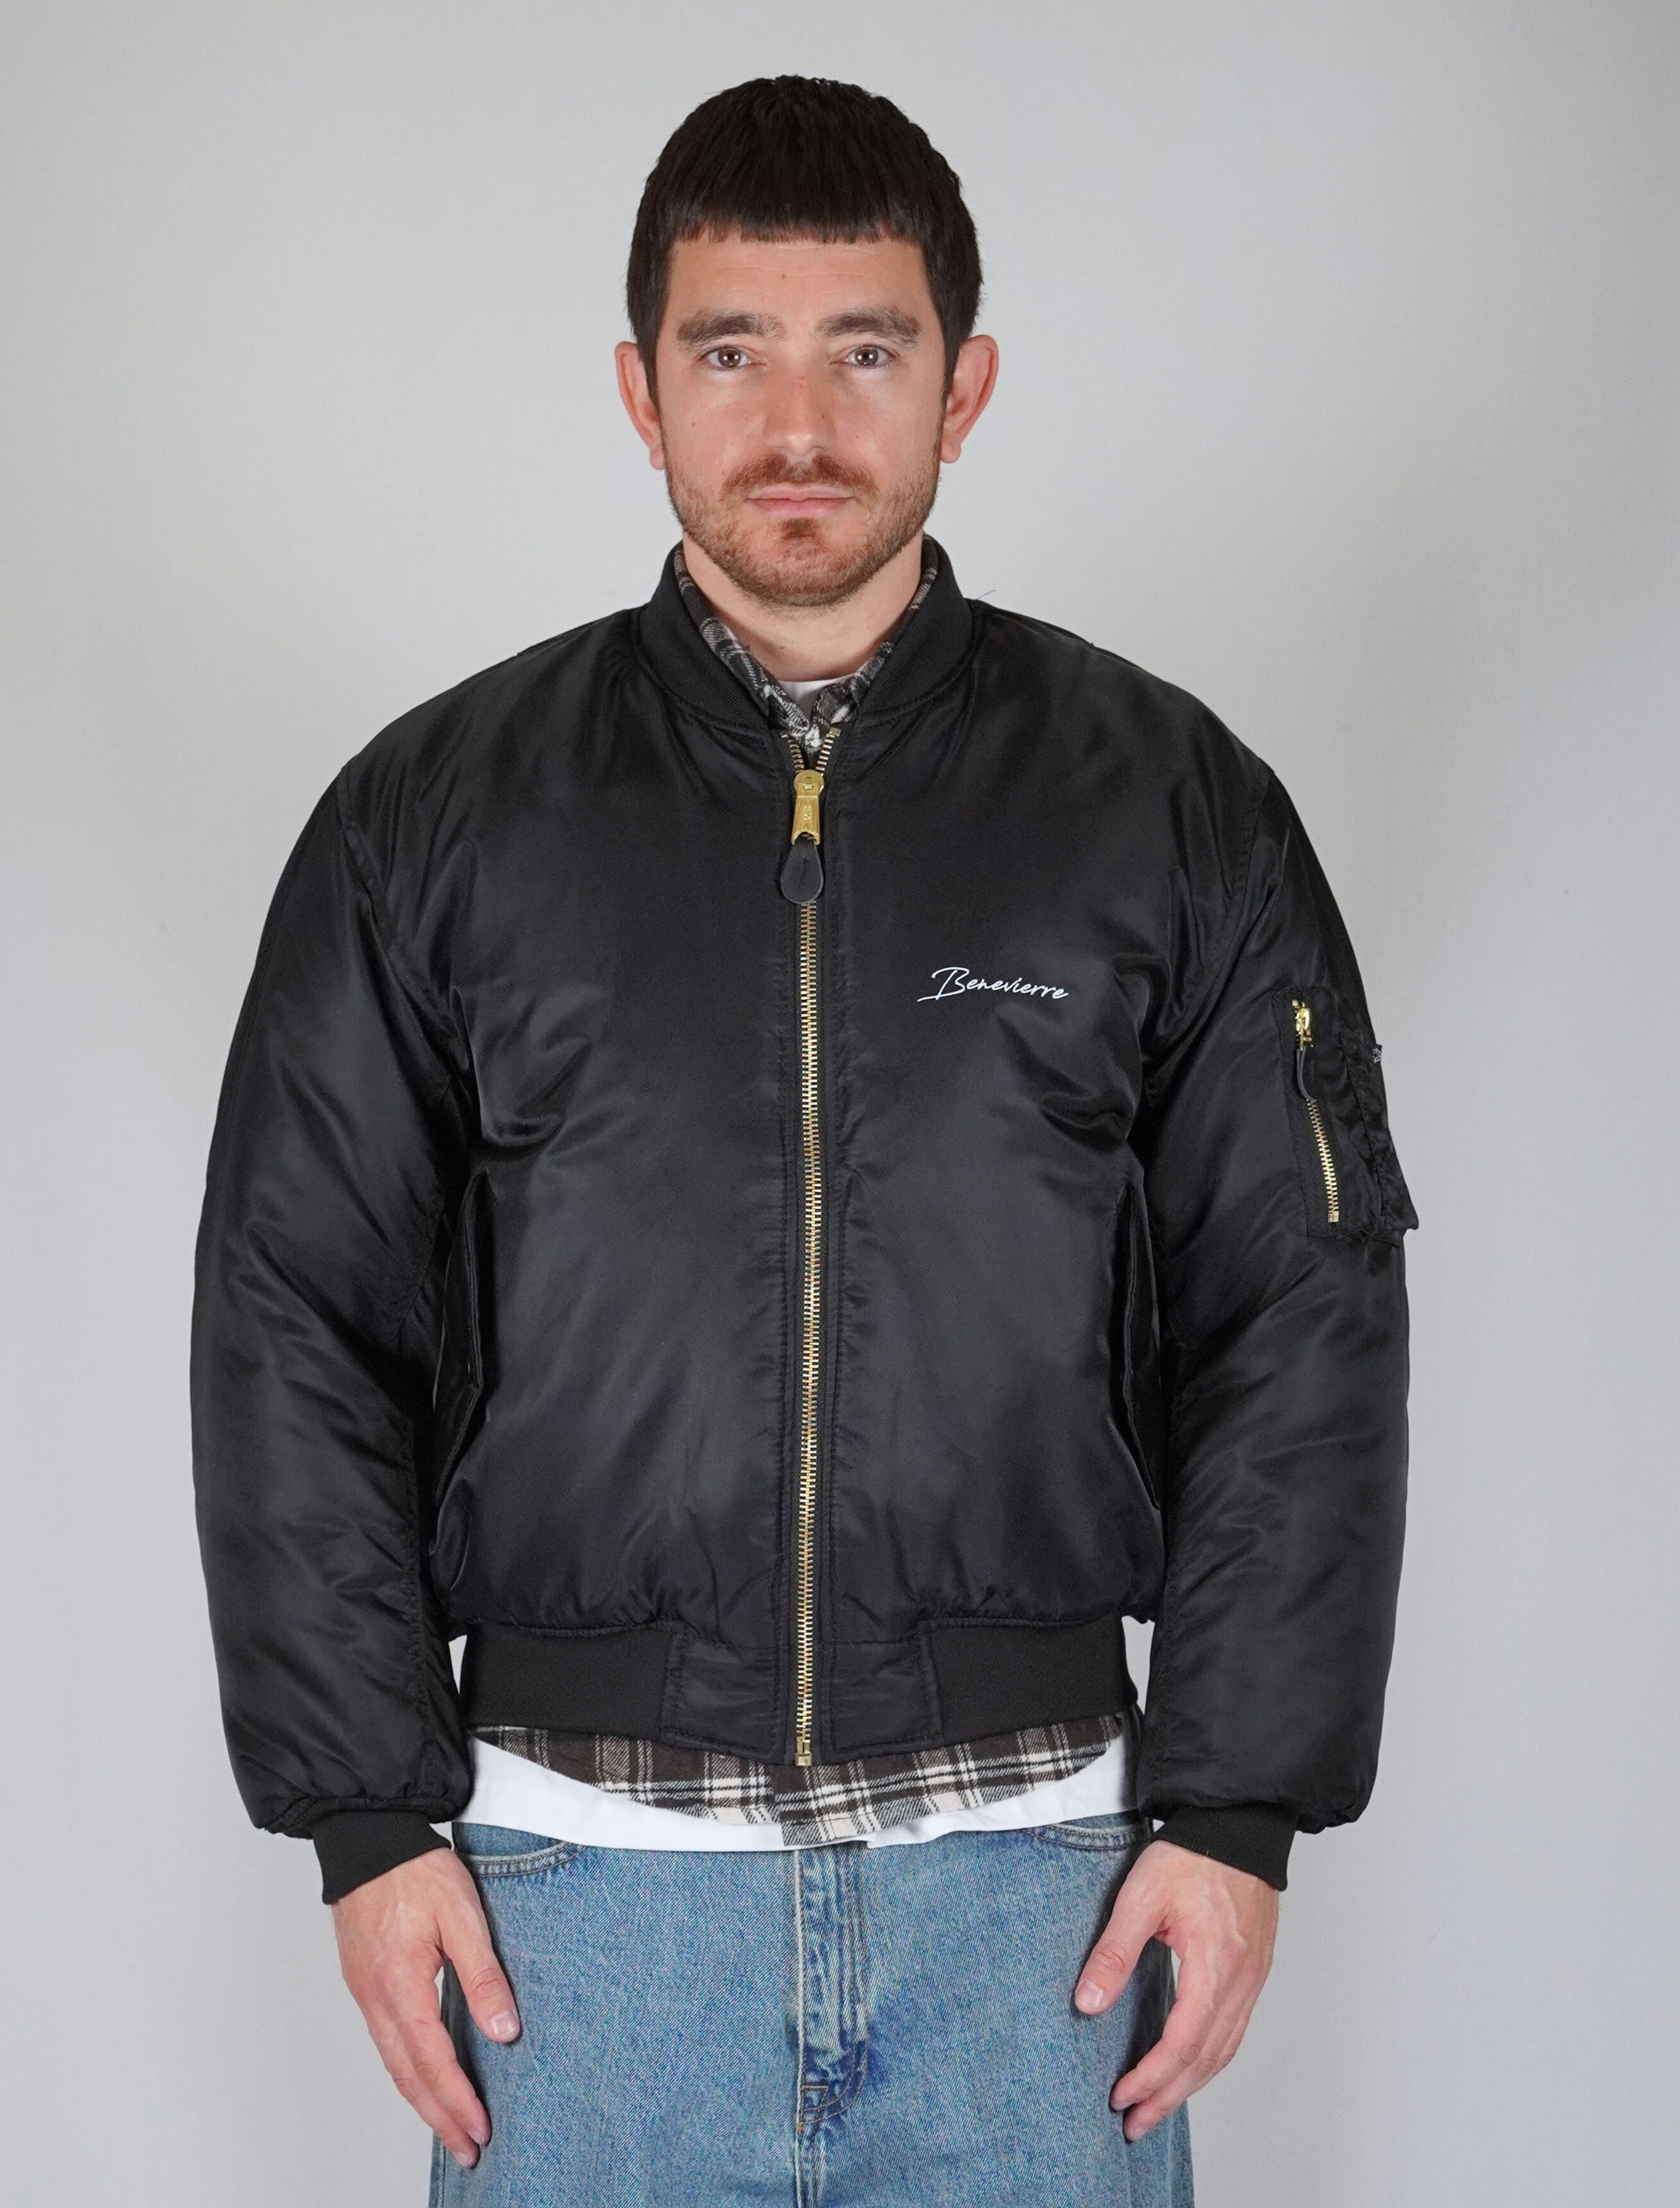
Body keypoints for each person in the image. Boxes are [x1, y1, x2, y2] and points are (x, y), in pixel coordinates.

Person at [191, 74, 1416, 2208]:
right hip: (574, 1923)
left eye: (865, 350)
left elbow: (1296, 1314)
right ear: (638, 390)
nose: (795, 424)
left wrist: (1235, 1811)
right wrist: (369, 1821)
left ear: (965, 386)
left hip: (1034, 1907)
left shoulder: (1168, 805)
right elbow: (296, 1311)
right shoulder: (436, 818)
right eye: (729, 351)